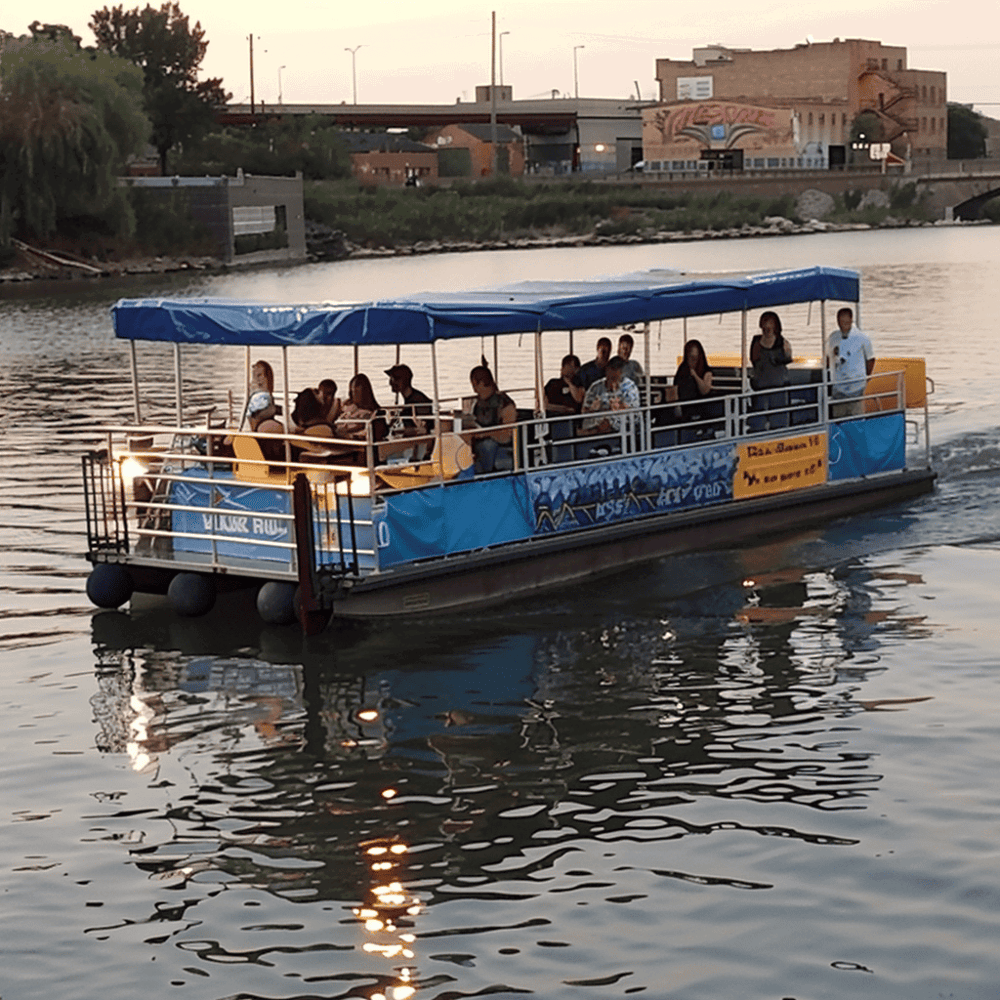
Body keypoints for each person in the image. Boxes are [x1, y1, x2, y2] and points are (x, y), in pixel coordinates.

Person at [466, 365, 517, 474]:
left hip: (499, 444)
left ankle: (484, 476)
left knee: (487, 445)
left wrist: (485, 434)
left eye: (474, 384)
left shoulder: (505, 404)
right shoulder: (476, 403)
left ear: (481, 383)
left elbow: (507, 434)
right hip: (479, 438)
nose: (474, 389)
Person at [826, 306, 874, 418]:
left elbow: (870, 359)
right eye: (840, 321)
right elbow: (828, 358)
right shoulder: (833, 337)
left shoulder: (862, 338)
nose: (843, 323)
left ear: (851, 319)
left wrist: (866, 377)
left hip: (856, 385)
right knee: (839, 416)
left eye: (845, 320)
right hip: (839, 386)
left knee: (856, 415)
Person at [749, 311, 793, 430]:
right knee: (758, 422)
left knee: (779, 420)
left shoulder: (783, 342)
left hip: (778, 386)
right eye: (764, 323)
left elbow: (788, 359)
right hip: (760, 387)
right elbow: (753, 361)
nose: (767, 327)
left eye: (770, 323)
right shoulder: (756, 342)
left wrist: (787, 352)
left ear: (775, 325)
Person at [579, 356, 640, 437]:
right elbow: (584, 411)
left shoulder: (629, 386)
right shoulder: (595, 387)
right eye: (611, 371)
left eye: (616, 374)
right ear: (606, 370)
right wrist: (592, 408)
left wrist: (620, 406)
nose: (612, 377)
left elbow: (635, 412)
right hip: (595, 421)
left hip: (620, 425)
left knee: (608, 423)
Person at [385, 364, 434, 447]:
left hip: (420, 444)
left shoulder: (419, 400)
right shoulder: (408, 399)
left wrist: (401, 431)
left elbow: (424, 429)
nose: (390, 383)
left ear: (402, 381)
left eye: (392, 379)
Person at [334, 373, 388, 445]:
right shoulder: (347, 406)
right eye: (353, 391)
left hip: (358, 443)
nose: (354, 394)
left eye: (357, 391)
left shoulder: (375, 413)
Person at [674, 339, 714, 433]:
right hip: (684, 407)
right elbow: (676, 387)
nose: (692, 361)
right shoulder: (683, 369)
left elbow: (705, 390)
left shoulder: (706, 371)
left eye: (695, 358)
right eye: (690, 357)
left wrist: (695, 375)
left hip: (700, 407)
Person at [570, 336, 613, 403]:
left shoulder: (613, 369)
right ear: (597, 349)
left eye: (608, 351)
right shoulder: (585, 370)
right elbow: (577, 390)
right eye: (603, 351)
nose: (605, 355)